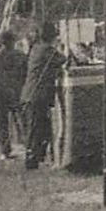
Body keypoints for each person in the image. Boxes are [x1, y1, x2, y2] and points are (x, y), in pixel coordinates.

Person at [19, 21, 64, 170]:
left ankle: (37, 157)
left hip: (31, 93)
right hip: (36, 94)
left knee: (40, 127)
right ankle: (31, 159)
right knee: (36, 128)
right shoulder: (47, 50)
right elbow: (63, 59)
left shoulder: (36, 48)